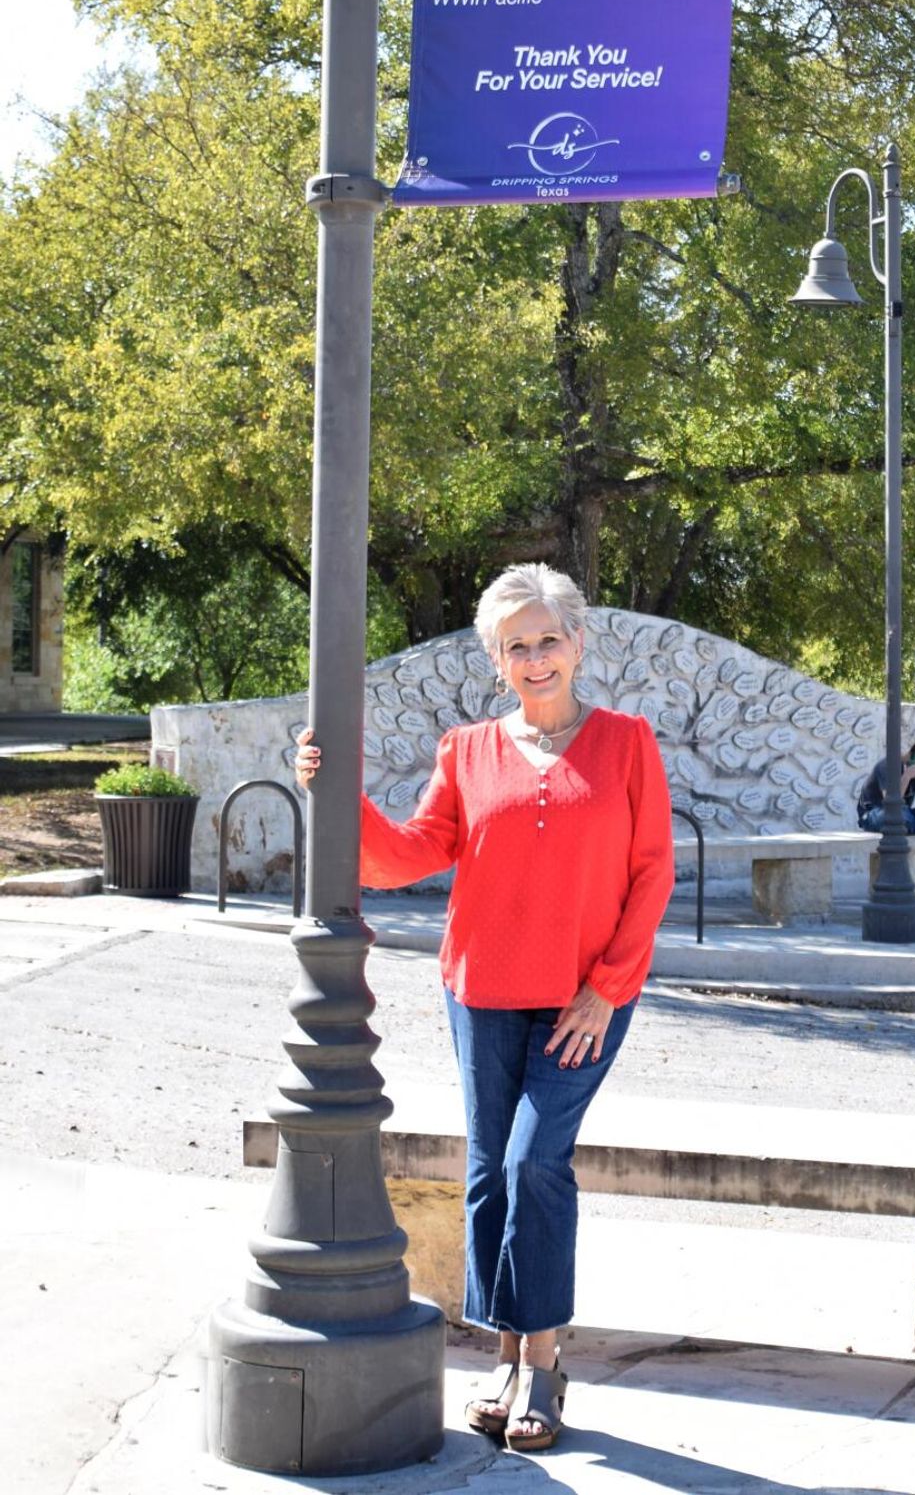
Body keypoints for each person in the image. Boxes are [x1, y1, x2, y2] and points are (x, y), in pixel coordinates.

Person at [294, 561, 673, 1453]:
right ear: (495, 659)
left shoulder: (626, 743)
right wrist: (333, 793)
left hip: (585, 1000)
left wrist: (607, 987)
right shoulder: (467, 751)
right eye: (516, 647)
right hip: (483, 991)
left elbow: (652, 872)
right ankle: (506, 1359)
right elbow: (408, 853)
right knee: (488, 1171)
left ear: (578, 643)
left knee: (536, 1160)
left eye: (548, 640)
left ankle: (541, 1362)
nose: (535, 659)